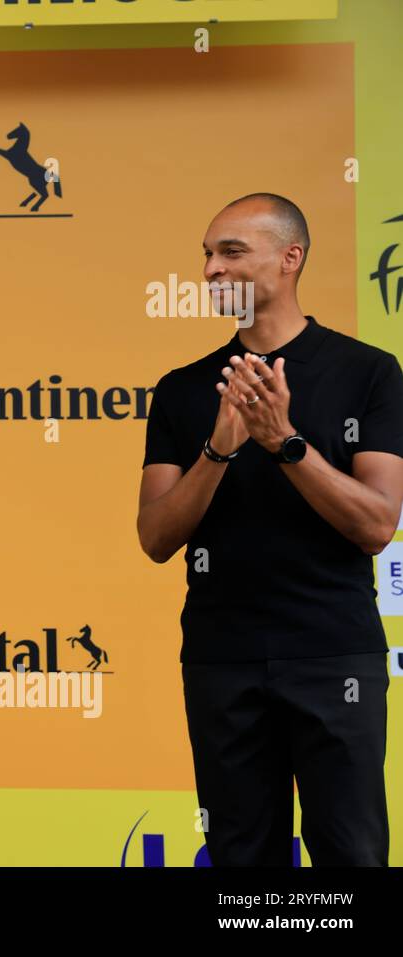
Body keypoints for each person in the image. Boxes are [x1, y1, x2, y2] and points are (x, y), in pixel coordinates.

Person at [137, 193, 403, 866]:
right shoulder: (183, 389)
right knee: (240, 862)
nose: (210, 270)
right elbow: (156, 536)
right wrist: (221, 448)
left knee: (353, 855)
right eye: (206, 254)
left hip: (334, 657)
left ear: (291, 259)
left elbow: (377, 524)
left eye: (231, 252)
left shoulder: (368, 373)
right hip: (221, 661)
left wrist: (285, 441)